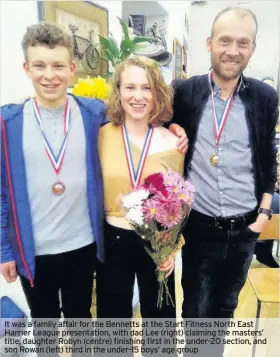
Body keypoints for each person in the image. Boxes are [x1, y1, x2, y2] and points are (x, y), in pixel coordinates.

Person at [0, 22, 107, 357]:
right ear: (26, 68)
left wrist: (176, 128)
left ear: (72, 68)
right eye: (40, 65)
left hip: (82, 244)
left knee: (80, 320)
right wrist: (4, 250)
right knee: (43, 322)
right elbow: (2, 193)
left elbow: (141, 125)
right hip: (35, 250)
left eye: (59, 65)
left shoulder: (95, 114)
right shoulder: (8, 124)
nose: (50, 75)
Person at [172, 6, 278, 323]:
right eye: (225, 41)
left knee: (224, 312)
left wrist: (263, 212)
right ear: (209, 43)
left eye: (243, 43)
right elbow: (154, 138)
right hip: (199, 228)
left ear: (253, 49)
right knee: (194, 312)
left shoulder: (265, 97)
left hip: (245, 229)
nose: (233, 51)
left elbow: (267, 156)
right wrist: (172, 129)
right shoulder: (184, 93)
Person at [97, 55, 185, 320]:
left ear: (157, 93)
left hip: (155, 243)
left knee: (160, 323)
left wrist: (171, 248)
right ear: (119, 91)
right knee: (113, 330)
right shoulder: (101, 135)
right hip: (113, 240)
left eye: (147, 87)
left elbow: (177, 204)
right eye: (130, 87)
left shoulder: (174, 142)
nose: (138, 96)